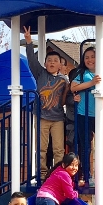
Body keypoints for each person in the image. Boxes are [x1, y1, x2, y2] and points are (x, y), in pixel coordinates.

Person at [68, 47, 103, 188]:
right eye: (87, 57)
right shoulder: (82, 73)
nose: (90, 60)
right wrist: (91, 83)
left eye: (93, 56)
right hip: (82, 114)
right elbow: (73, 87)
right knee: (85, 146)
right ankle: (87, 174)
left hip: (98, 115)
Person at [23, 28, 70, 175]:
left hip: (57, 118)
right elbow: (31, 59)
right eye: (49, 60)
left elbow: (67, 96)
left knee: (58, 148)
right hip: (42, 116)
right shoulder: (40, 73)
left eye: (55, 61)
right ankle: (42, 173)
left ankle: (58, 173)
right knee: (42, 147)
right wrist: (29, 41)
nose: (52, 63)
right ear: (45, 63)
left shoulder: (64, 80)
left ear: (60, 65)